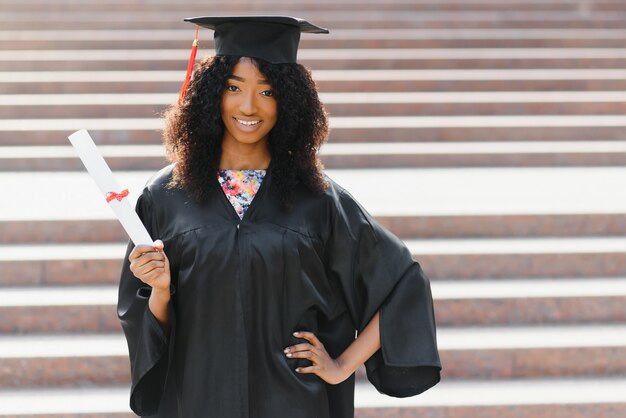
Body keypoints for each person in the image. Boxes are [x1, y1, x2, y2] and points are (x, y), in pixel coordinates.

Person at [117, 15, 441, 418]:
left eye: (267, 91)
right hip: (200, 399)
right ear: (211, 94)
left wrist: (341, 366)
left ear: (288, 101)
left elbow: (403, 284)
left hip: (293, 402)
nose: (248, 106)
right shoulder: (165, 197)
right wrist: (161, 290)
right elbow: (146, 327)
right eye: (233, 87)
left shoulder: (317, 200)